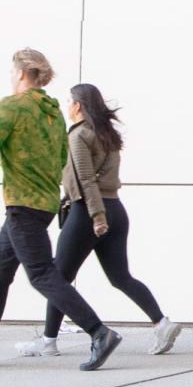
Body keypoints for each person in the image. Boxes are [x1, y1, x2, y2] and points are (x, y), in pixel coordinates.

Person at [15, 84, 179, 358]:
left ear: (78, 105)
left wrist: (96, 216)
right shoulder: (108, 135)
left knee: (58, 276)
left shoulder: (79, 135)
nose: (67, 106)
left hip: (88, 212)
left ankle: (48, 341)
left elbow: (85, 179)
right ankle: (162, 323)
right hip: (116, 209)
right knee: (120, 276)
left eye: (69, 101)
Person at [0, 50, 122, 370]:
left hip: (22, 203)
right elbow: (59, 160)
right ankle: (98, 332)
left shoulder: (12, 107)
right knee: (1, 270)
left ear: (22, 73)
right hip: (43, 203)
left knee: (42, 273)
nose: (10, 77)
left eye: (12, 72)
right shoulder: (52, 113)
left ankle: (99, 332)